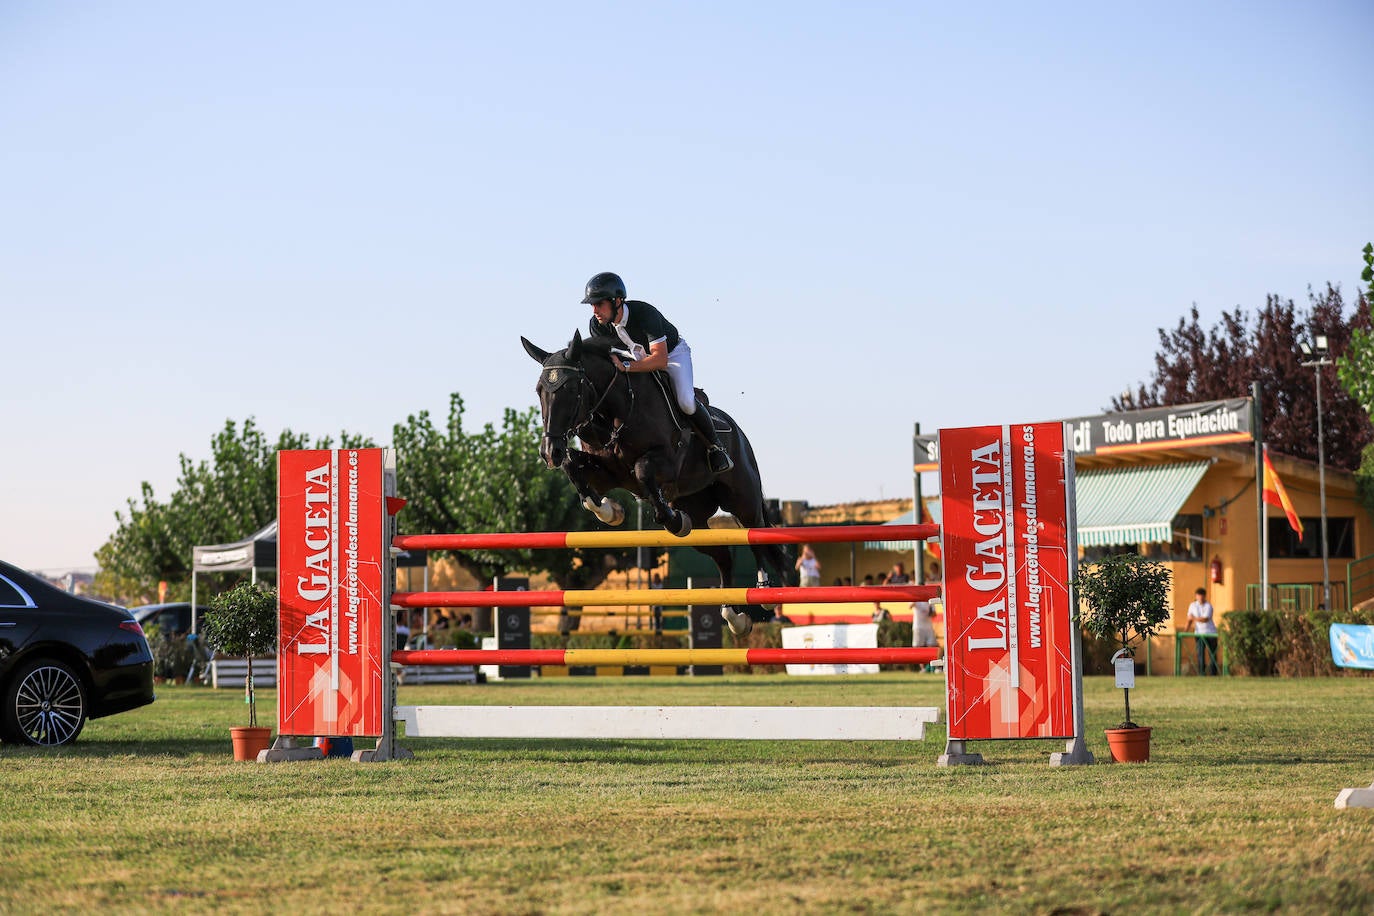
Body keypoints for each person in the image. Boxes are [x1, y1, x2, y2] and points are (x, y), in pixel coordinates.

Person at [582, 271, 733, 474]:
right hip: (635, 357)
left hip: (671, 356)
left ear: (617, 300)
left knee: (686, 402)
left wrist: (627, 367)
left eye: (599, 304)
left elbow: (659, 359)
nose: (595, 311)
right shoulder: (597, 326)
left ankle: (716, 448)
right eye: (592, 305)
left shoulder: (644, 314)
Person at [1186, 586, 1219, 675]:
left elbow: (1205, 619)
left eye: (1202, 596)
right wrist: (1186, 631)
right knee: (1200, 654)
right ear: (1196, 596)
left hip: (1210, 633)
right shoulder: (1192, 605)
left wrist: (1193, 618)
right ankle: (1201, 673)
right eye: (1198, 595)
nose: (1200, 597)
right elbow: (1189, 619)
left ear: (1205, 596)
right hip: (1199, 634)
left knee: (1212, 654)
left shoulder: (1208, 606)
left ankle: (1213, 674)